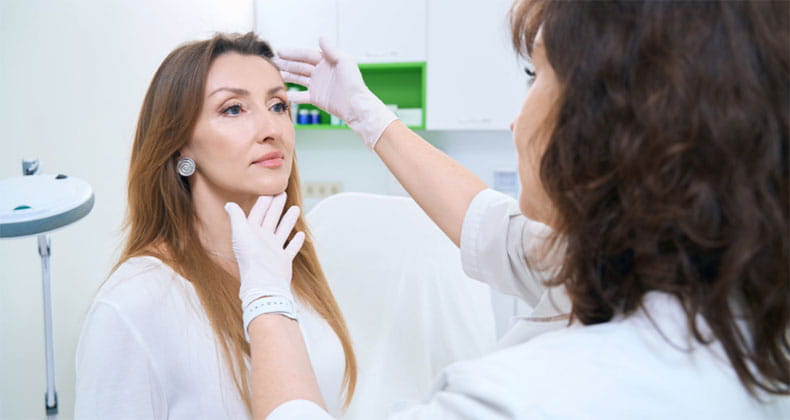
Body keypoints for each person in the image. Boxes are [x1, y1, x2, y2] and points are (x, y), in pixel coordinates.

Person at [225, 1, 790, 419]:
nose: (516, 119)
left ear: (610, 122)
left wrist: (267, 299)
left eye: (535, 75)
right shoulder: (737, 320)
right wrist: (367, 114)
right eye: (232, 109)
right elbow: (492, 229)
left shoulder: (528, 400)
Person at [74, 32, 357, 419]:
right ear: (181, 145)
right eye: (233, 109)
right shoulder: (134, 304)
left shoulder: (290, 266)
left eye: (277, 105)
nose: (271, 129)